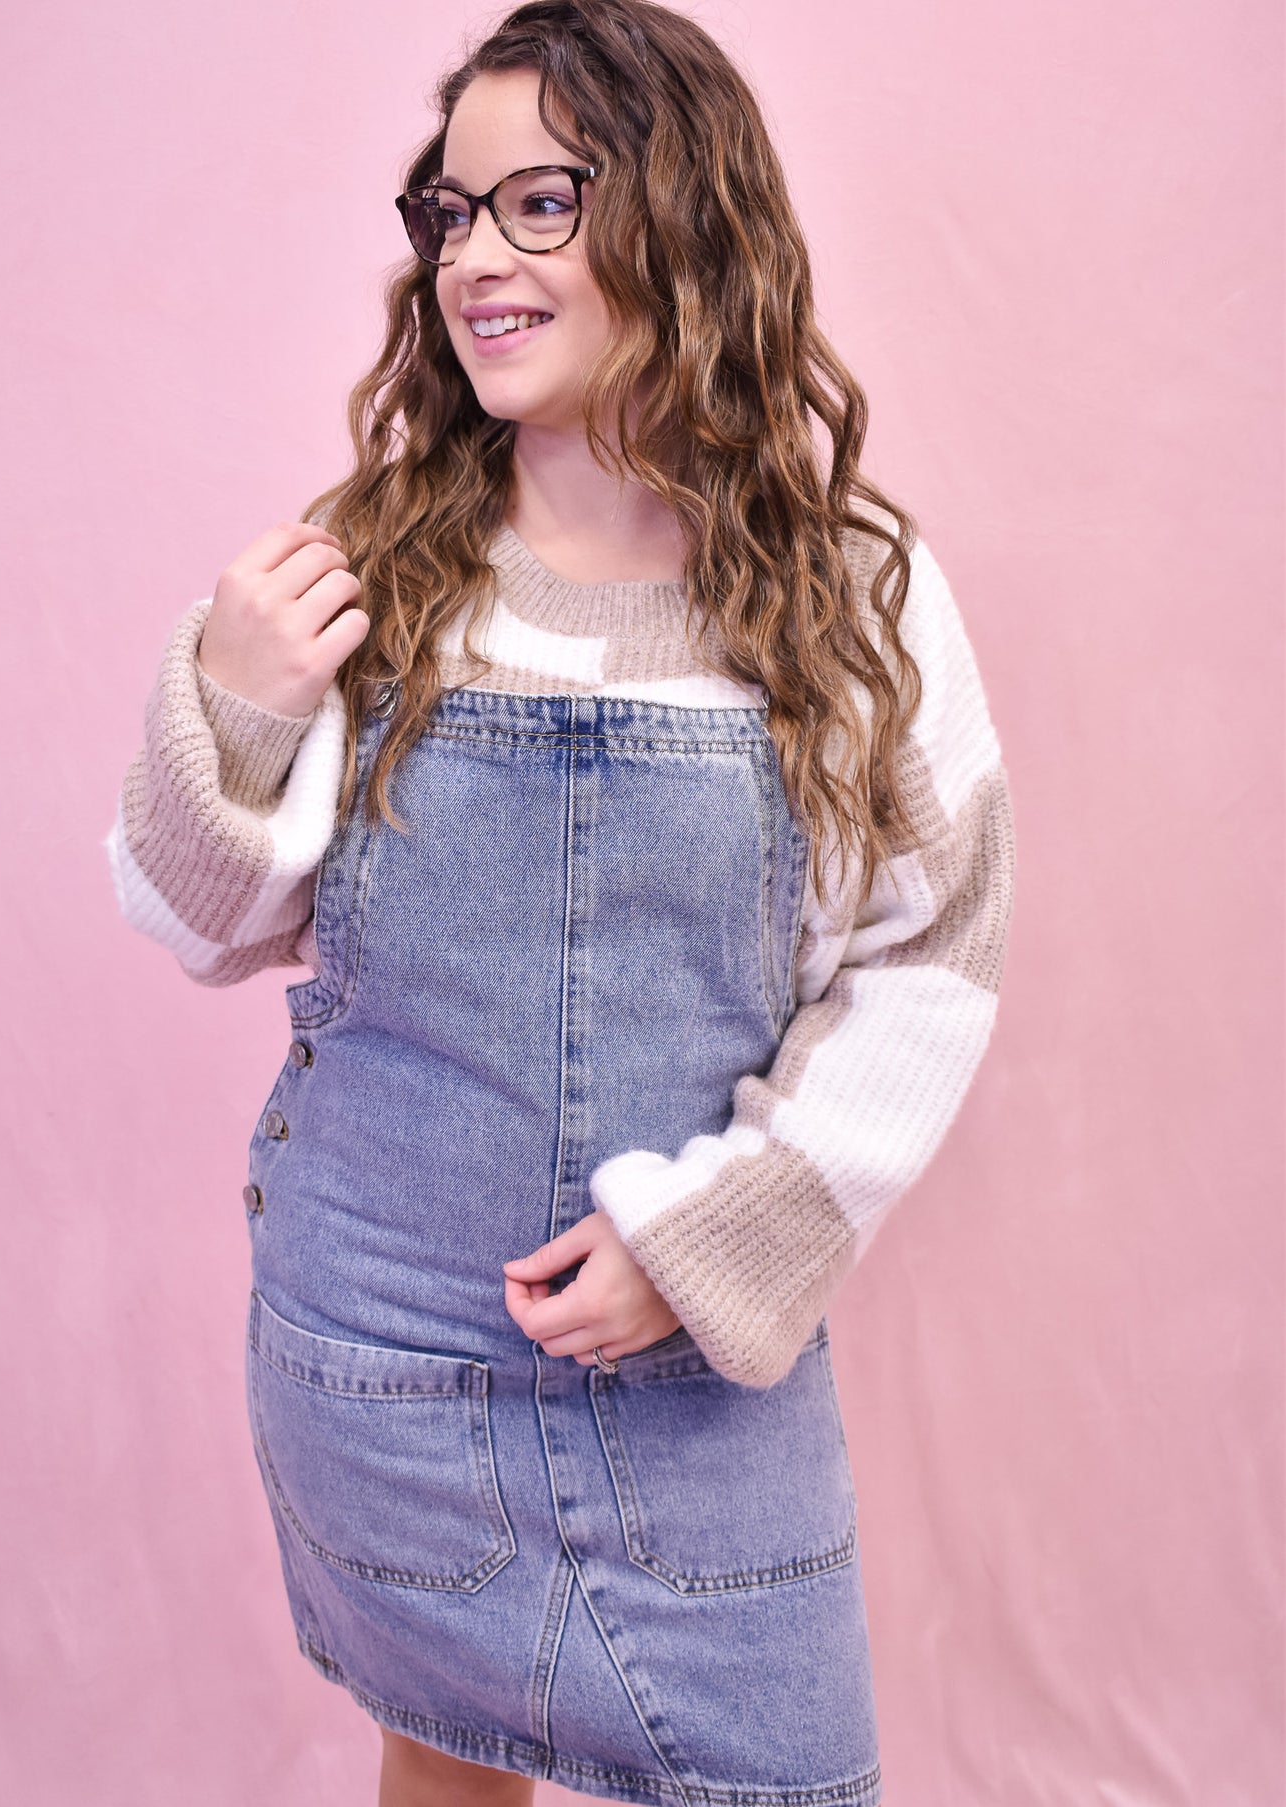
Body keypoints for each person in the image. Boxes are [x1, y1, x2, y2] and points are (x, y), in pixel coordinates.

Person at [105, 2, 1015, 1801]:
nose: (473, 259)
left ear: (682, 215)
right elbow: (191, 924)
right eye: (448, 211)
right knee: (444, 1765)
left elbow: (936, 951)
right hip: (380, 1357)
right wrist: (236, 697)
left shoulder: (850, 593)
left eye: (539, 201)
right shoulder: (367, 565)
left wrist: (716, 1248)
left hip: (699, 1383)